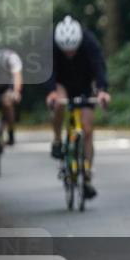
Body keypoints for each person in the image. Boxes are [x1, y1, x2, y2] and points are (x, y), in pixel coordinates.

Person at [44, 16, 111, 200]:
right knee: (59, 104)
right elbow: (48, 71)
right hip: (62, 83)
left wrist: (103, 91)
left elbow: (99, 67)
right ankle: (57, 140)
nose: (70, 53)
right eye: (66, 50)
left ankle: (87, 177)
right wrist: (50, 92)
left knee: (87, 129)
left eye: (73, 49)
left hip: (84, 83)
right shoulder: (52, 46)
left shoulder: (89, 42)